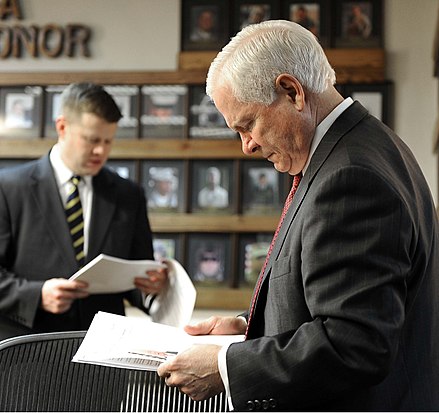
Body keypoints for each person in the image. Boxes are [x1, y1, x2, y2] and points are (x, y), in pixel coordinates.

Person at [157, 20, 439, 411]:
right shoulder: (362, 146)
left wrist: (225, 366)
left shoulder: (351, 177)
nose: (247, 146)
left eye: (248, 125)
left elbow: (354, 343)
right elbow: (330, 300)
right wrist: (246, 327)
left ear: (292, 92)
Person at [0, 82, 168, 340]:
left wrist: (151, 288)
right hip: (27, 354)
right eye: (91, 140)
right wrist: (36, 295)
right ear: (62, 127)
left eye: (108, 141)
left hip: (104, 356)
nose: (101, 151)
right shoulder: (9, 188)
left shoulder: (128, 195)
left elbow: (136, 274)